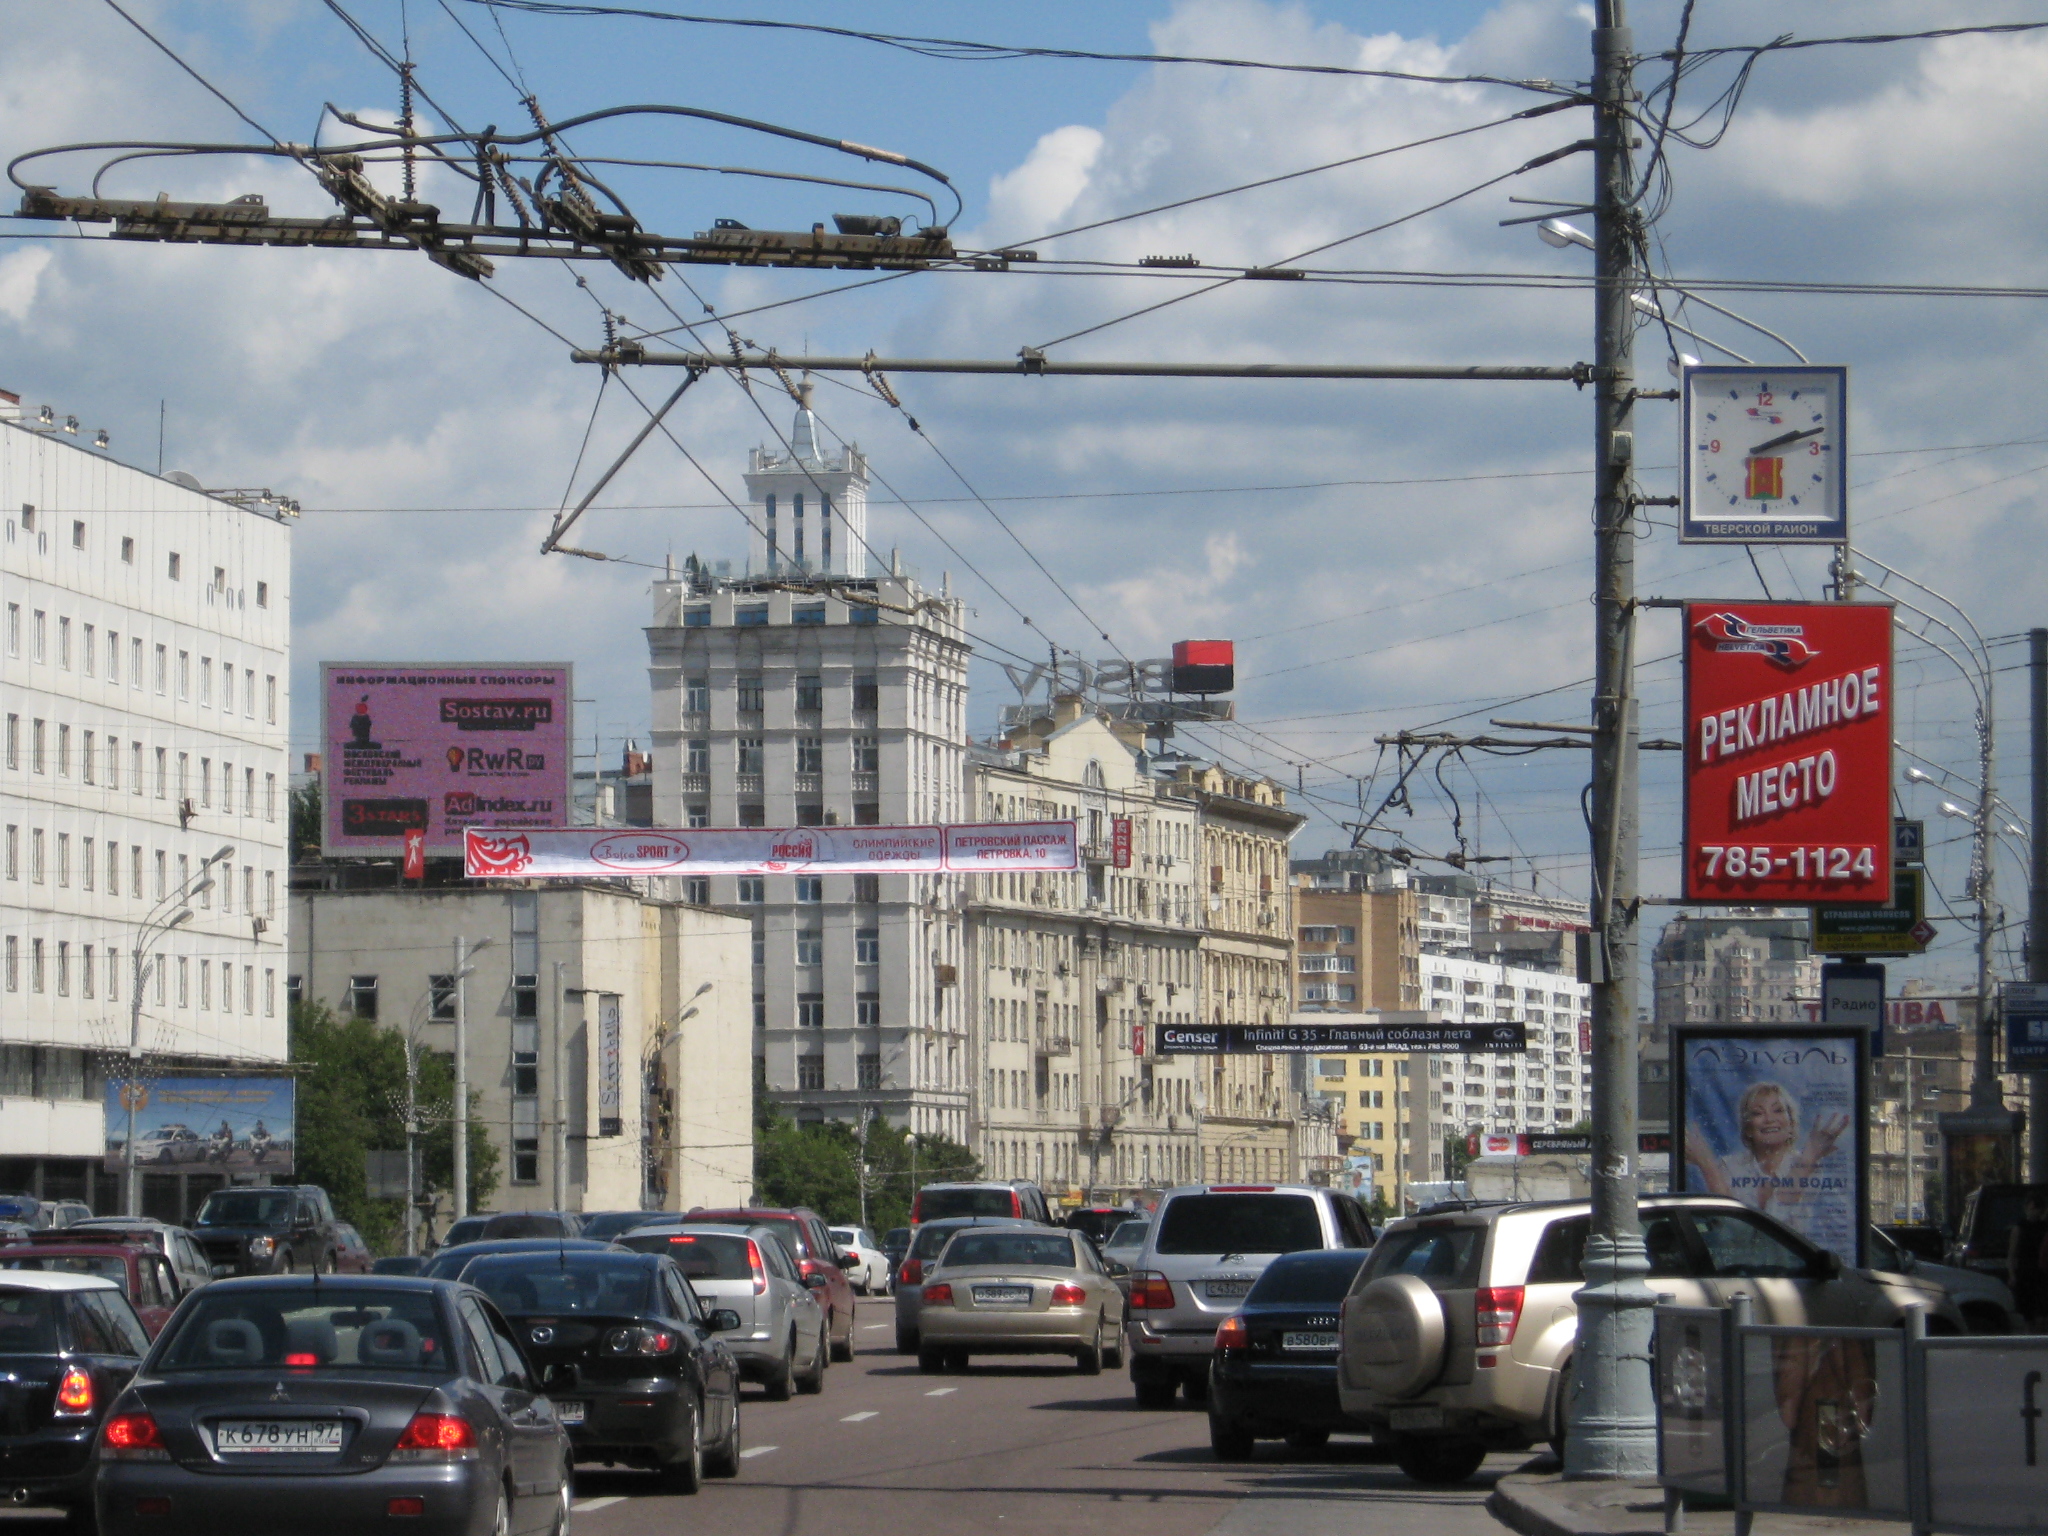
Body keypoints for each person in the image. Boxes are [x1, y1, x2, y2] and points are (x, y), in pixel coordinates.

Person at [1685, 1080, 1850, 1224]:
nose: (1769, 1119)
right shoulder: (1728, 1166)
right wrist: (1707, 1166)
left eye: (1778, 1110)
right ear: (1748, 1128)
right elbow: (1729, 1226)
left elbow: (1775, 1225)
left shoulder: (1808, 1166)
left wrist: (1807, 1160)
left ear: (1791, 1123)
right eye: (1758, 1113)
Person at [2015, 1194, 2048, 1329]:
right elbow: (2013, 1252)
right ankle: (2031, 1331)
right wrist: (2012, 1274)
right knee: (2028, 1307)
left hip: (2042, 1271)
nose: (2034, 1211)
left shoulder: (2044, 1227)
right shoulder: (2020, 1227)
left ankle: (2038, 1329)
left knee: (2041, 1307)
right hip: (2025, 1270)